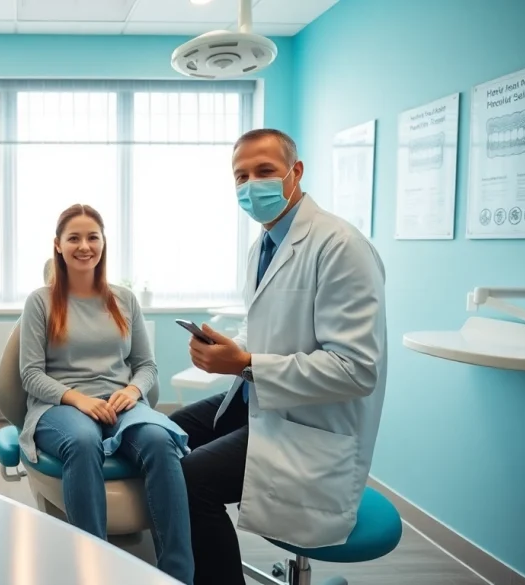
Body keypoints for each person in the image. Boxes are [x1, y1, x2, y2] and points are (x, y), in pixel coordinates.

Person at [170, 128, 388, 585]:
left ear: (296, 172)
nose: (252, 185)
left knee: (192, 480)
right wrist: (227, 348)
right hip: (263, 402)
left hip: (309, 428)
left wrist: (245, 364)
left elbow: (356, 370)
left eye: (265, 171)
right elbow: (263, 329)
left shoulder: (341, 246)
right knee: (165, 433)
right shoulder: (263, 245)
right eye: (241, 176)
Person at [19, 203, 195, 585]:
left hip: (119, 401)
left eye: (92, 237)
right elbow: (30, 375)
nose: (84, 246)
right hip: (60, 404)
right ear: (58, 245)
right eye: (74, 238)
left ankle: (178, 576)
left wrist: (133, 389)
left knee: (159, 440)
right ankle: (92, 572)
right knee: (83, 441)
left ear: (103, 242)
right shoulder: (40, 301)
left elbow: (146, 365)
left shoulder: (124, 299)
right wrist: (78, 399)